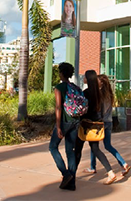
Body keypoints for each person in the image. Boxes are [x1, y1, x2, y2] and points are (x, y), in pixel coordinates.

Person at [75, 70, 118, 186]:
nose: (83, 78)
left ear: (88, 79)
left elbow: (82, 109)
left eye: (85, 76)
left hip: (85, 125)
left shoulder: (86, 93)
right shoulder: (99, 94)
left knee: (77, 149)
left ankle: (71, 174)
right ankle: (110, 172)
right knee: (96, 150)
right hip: (96, 125)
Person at [84, 74, 131, 177]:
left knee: (94, 145)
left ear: (101, 83)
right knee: (107, 146)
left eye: (97, 81)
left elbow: (99, 110)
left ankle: (93, 167)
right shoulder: (109, 94)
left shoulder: (99, 95)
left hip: (101, 123)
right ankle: (123, 163)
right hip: (109, 122)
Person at [49, 62, 79, 191]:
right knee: (70, 151)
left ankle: (66, 174)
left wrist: (58, 126)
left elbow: (58, 107)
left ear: (61, 73)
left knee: (53, 147)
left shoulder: (59, 87)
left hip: (64, 122)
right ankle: (71, 183)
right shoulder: (76, 88)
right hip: (76, 121)